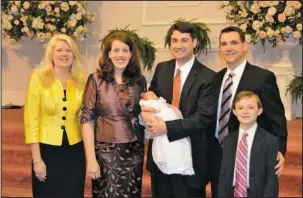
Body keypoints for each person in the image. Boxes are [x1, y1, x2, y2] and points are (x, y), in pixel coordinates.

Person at [141, 21, 218, 197]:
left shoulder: (208, 77)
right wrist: (146, 116)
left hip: (190, 157)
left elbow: (204, 118)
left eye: (184, 40)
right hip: (161, 153)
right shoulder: (162, 69)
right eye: (174, 40)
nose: (178, 45)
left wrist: (167, 127)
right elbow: (151, 100)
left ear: (195, 43)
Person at [208, 26, 287, 197]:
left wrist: (280, 149)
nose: (229, 48)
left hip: (250, 151)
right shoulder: (215, 78)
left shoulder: (262, 77)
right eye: (224, 44)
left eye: (234, 43)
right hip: (218, 154)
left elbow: (277, 118)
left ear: (245, 46)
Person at [80, 31, 147, 198]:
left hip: (134, 152)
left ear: (131, 54)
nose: (120, 55)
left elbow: (143, 113)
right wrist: (91, 160)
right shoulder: (95, 79)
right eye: (116, 50)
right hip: (105, 153)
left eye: (125, 50)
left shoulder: (140, 80)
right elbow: (86, 120)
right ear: (108, 53)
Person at [24, 34, 86, 197]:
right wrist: (37, 160)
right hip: (46, 152)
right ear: (51, 54)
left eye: (68, 50)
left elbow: (85, 117)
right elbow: (31, 121)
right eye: (59, 50)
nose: (64, 54)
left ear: (74, 55)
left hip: (74, 152)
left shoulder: (80, 81)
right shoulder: (38, 78)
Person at [218, 91, 279, 197]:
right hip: (232, 193)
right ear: (234, 111)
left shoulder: (270, 141)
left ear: (259, 111)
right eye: (240, 108)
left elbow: (271, 181)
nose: (245, 111)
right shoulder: (228, 140)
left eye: (251, 108)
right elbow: (224, 175)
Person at [139, 91, 194, 175]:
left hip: (174, 122)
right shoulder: (148, 104)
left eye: (154, 94)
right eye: (152, 96)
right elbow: (146, 110)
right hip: (161, 122)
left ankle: (181, 163)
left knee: (180, 146)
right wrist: (154, 109)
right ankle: (167, 162)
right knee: (163, 145)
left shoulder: (160, 101)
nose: (154, 96)